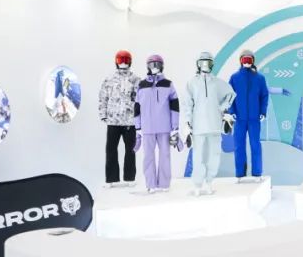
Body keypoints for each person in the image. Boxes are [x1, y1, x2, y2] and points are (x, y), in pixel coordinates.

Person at [184, 52, 236, 196]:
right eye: (203, 63)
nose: (205, 65)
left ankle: (209, 182)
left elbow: (231, 94)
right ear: (198, 64)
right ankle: (197, 184)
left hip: (214, 125)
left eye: (208, 62)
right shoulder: (192, 83)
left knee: (214, 155)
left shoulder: (218, 83)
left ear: (212, 64)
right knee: (198, 157)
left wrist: (222, 108)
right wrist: (188, 122)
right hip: (198, 126)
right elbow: (188, 104)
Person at [134, 54, 180, 193]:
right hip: (147, 128)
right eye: (152, 64)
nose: (154, 67)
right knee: (148, 157)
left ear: (162, 66)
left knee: (165, 156)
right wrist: (137, 126)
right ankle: (150, 184)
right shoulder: (141, 85)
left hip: (164, 127)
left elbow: (175, 106)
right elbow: (137, 107)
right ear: (147, 66)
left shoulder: (168, 84)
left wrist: (175, 127)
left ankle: (164, 184)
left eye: (157, 64)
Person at [98, 50, 141, 187]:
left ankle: (130, 178)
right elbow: (103, 97)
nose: (123, 63)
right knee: (111, 149)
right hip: (113, 120)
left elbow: (141, 100)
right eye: (120, 60)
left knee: (130, 150)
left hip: (130, 121)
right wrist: (103, 114)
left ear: (130, 62)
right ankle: (111, 179)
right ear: (116, 62)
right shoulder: (109, 79)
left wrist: (139, 118)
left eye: (126, 60)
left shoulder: (136, 80)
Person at [228, 49, 269, 182]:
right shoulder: (234, 78)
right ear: (240, 61)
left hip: (254, 118)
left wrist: (262, 112)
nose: (246, 62)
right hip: (239, 118)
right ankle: (240, 174)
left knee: (255, 145)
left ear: (253, 61)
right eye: (244, 59)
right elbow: (230, 96)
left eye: (249, 60)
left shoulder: (259, 78)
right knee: (239, 145)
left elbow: (264, 96)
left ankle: (257, 173)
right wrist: (232, 111)